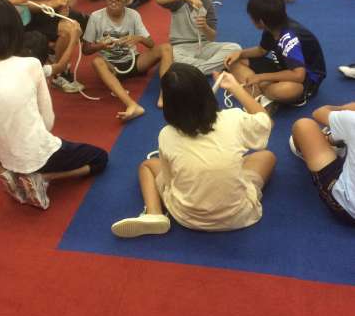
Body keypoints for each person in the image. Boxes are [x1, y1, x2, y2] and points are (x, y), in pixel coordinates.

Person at [0, 0, 108, 210]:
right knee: (100, 158)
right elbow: (47, 122)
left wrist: (3, 168)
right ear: (15, 30)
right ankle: (42, 177)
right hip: (40, 154)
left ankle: (13, 176)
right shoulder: (31, 65)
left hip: (6, 159)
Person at [111, 64, 275, 238]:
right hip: (239, 216)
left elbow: (169, 180)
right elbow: (265, 121)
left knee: (148, 165)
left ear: (168, 103)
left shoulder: (166, 135)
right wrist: (235, 88)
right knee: (267, 156)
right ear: (206, 92)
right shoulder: (234, 119)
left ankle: (153, 213)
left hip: (186, 217)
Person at [83, 0, 173, 121]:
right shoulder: (96, 17)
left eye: (118, 0)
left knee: (166, 48)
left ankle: (165, 94)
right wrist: (101, 45)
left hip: (134, 61)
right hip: (111, 67)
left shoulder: (133, 15)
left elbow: (151, 44)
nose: (113, 4)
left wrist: (138, 38)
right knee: (97, 62)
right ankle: (131, 104)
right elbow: (85, 50)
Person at [225, 0, 326, 111]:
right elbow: (261, 50)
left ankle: (259, 94)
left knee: (287, 89)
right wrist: (240, 53)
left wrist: (261, 77)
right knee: (235, 62)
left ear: (261, 22)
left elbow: (298, 75)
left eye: (251, 17)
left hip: (306, 79)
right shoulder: (272, 26)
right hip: (282, 66)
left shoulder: (289, 38)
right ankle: (261, 98)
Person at [156, 0, 241, 74]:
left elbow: (212, 37)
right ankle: (209, 67)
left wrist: (205, 27)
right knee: (173, 56)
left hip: (204, 46)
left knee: (235, 48)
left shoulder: (207, 3)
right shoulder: (179, 1)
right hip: (180, 48)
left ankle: (198, 69)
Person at [290, 103, 355, 225]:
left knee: (304, 126)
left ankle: (306, 151)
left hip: (347, 208)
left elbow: (318, 113)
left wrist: (342, 109)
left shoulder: (352, 119)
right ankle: (338, 140)